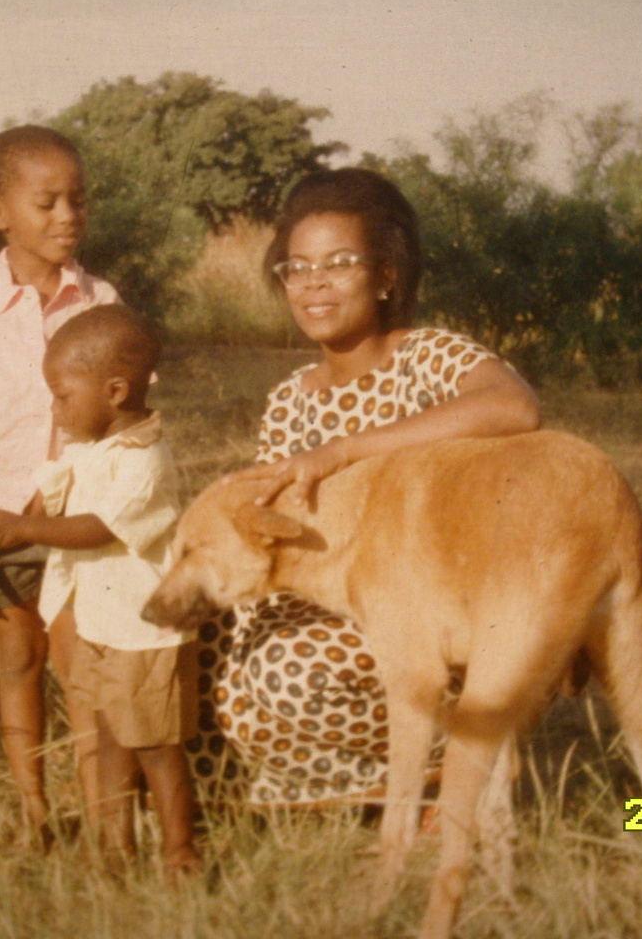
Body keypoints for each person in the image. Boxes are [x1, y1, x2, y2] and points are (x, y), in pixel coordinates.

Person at [188, 167, 542, 805]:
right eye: (295, 268)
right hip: (319, 592)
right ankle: (244, 793)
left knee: (286, 672)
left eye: (339, 263)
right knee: (192, 625)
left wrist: (342, 451)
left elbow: (514, 407)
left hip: (425, 603)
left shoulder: (425, 355)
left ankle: (463, 766)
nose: (313, 283)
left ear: (384, 277)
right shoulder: (290, 397)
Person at [0, 304, 199, 876]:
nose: (54, 409)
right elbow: (40, 509)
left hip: (144, 632)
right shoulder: (86, 450)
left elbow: (98, 527)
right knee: (111, 736)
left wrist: (22, 528)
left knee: (157, 747)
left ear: (114, 391)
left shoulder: (145, 460)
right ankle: (114, 845)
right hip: (99, 625)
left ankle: (180, 850)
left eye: (61, 396)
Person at [0, 125, 119, 840]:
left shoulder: (101, 298)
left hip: (76, 523)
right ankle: (32, 807)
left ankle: (103, 815)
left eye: (79, 200)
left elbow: (126, 414)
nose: (68, 216)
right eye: (48, 203)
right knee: (18, 656)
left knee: (76, 660)